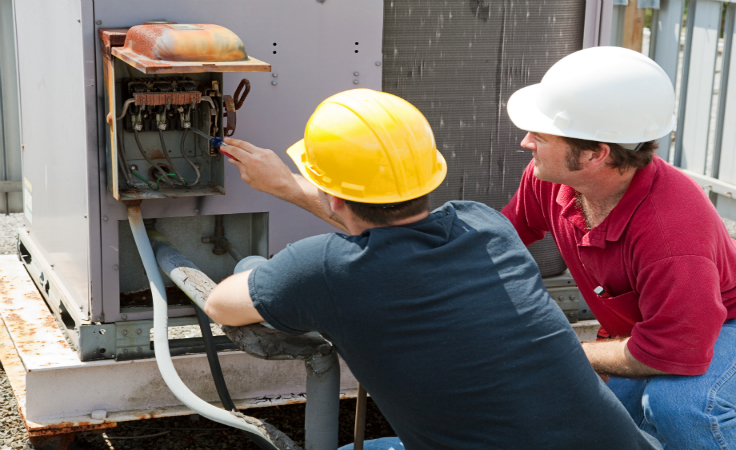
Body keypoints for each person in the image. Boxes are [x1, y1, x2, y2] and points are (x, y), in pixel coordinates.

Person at [204, 89, 660, 449]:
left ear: (335, 197)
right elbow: (397, 233)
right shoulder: (485, 224)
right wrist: (289, 187)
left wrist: (263, 270)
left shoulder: (323, 268)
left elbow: (220, 303)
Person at [501, 45, 736, 449]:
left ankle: (733, 412)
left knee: (680, 405)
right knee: (598, 420)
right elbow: (500, 240)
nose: (526, 142)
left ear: (595, 154)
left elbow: (673, 349)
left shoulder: (670, 230)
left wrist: (568, 350)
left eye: (539, 134)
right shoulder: (550, 179)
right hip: (662, 330)